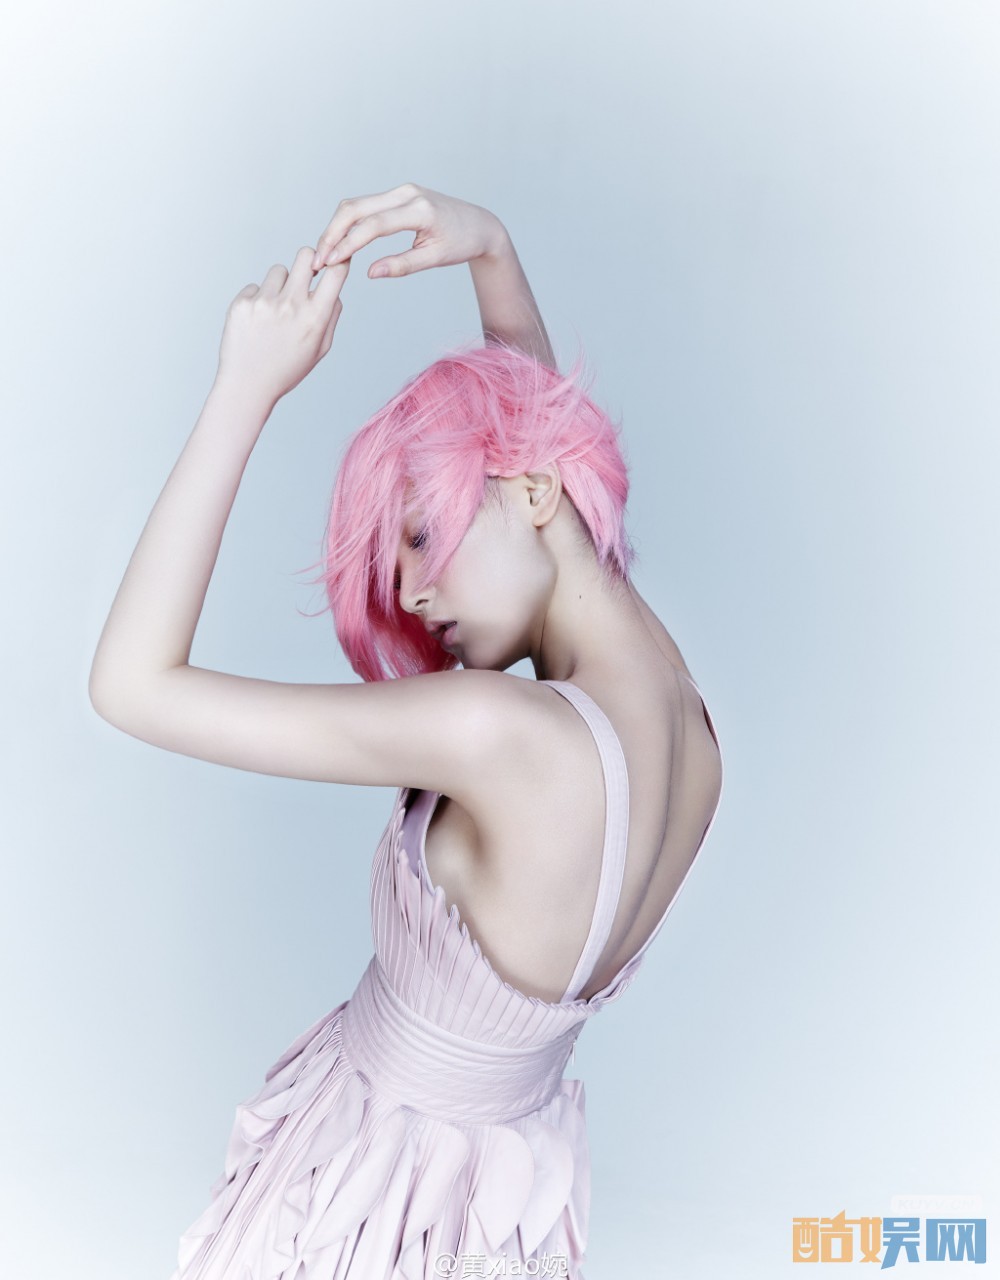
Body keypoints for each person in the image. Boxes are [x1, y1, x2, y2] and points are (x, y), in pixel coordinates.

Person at [89, 182, 724, 1279]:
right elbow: (545, 486)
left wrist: (244, 387)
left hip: (369, 1205)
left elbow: (131, 685)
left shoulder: (495, 733)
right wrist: (493, 252)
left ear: (533, 487)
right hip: (488, 1209)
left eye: (421, 536)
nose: (416, 595)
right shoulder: (680, 713)